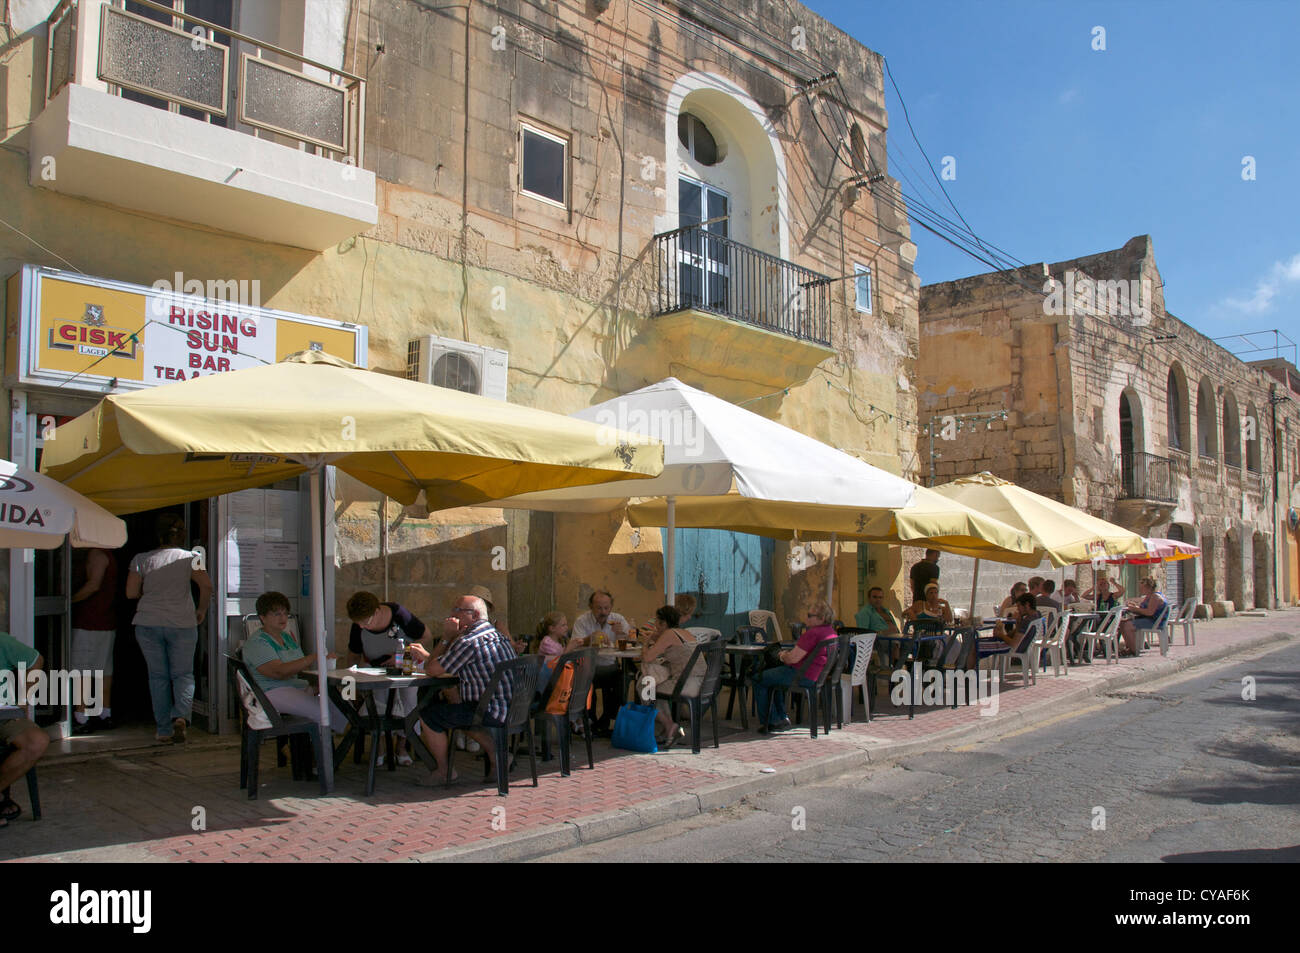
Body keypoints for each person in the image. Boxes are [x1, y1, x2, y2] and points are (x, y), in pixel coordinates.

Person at [126, 512, 212, 744]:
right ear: (182, 534)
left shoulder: (140, 559)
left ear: (158, 534)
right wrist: (201, 609)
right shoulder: (192, 557)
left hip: (148, 623)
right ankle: (181, 717)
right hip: (182, 623)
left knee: (158, 677)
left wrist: (148, 592)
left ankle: (163, 730)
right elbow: (206, 586)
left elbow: (130, 593)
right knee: (183, 674)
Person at [414, 595, 516, 783]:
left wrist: (446, 638)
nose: (452, 615)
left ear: (475, 614)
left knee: (428, 715)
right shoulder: (497, 636)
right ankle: (498, 754)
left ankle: (444, 772)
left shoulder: (469, 641)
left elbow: (431, 669)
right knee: (457, 707)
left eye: (457, 610)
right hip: (511, 708)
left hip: (489, 711)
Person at [240, 591, 349, 733]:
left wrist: (318, 677)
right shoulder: (257, 642)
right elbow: (278, 672)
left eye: (285, 613)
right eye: (277, 614)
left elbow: (300, 667)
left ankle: (346, 739)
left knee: (342, 703)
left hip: (296, 687)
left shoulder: (287, 637)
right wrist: (315, 657)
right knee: (321, 711)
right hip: (270, 692)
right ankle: (322, 750)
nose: (283, 618)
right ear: (263, 617)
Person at [345, 592, 428, 766]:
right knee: (377, 703)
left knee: (409, 700)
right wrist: (349, 688)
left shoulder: (399, 614)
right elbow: (353, 656)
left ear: (377, 612)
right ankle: (381, 746)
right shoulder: (359, 626)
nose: (361, 626)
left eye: (365, 622)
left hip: (407, 665)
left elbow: (425, 636)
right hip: (376, 669)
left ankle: (402, 746)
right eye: (358, 623)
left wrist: (400, 655)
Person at [752, 601, 837, 734]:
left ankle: (772, 721)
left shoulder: (812, 634)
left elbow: (792, 659)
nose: (806, 618)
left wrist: (781, 655)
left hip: (800, 675)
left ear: (822, 618)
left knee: (759, 679)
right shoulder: (831, 632)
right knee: (773, 677)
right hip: (815, 676)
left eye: (810, 615)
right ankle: (781, 717)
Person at [0, 632, 49, 828]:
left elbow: (36, 660)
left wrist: (24, 698)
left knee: (37, 741)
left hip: (4, 713)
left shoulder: (1, 640)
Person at [637, 605, 704, 748]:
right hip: (701, 682)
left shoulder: (668, 634)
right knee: (653, 685)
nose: (655, 625)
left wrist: (646, 642)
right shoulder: (684, 633)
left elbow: (648, 657)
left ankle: (670, 725)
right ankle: (666, 730)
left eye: (657, 622)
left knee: (644, 686)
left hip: (685, 684)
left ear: (663, 623)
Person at [70, 547, 117, 735]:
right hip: (106, 620)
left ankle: (81, 716)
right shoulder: (109, 555)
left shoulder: (96, 555)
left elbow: (93, 584)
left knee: (82, 669)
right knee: (104, 669)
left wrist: (69, 600)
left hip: (89, 621)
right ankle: (105, 713)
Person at [570, 590, 631, 734]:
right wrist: (590, 638)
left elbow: (631, 642)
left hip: (611, 665)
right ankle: (590, 721)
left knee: (623, 679)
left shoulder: (618, 619)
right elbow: (574, 645)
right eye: (599, 608)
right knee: (585, 679)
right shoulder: (582, 621)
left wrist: (622, 633)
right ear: (591, 606)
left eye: (606, 608)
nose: (603, 612)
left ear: (611, 607)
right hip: (589, 667)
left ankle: (608, 718)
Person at [1119, 576, 1166, 657]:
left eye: (1142, 588)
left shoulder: (1155, 597)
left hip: (1154, 622)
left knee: (1127, 626)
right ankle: (1130, 648)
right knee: (1122, 623)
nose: (1140, 589)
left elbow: (1149, 612)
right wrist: (1135, 607)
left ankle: (1134, 650)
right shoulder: (1149, 596)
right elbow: (1144, 608)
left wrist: (1134, 609)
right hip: (1149, 619)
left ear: (1148, 588)